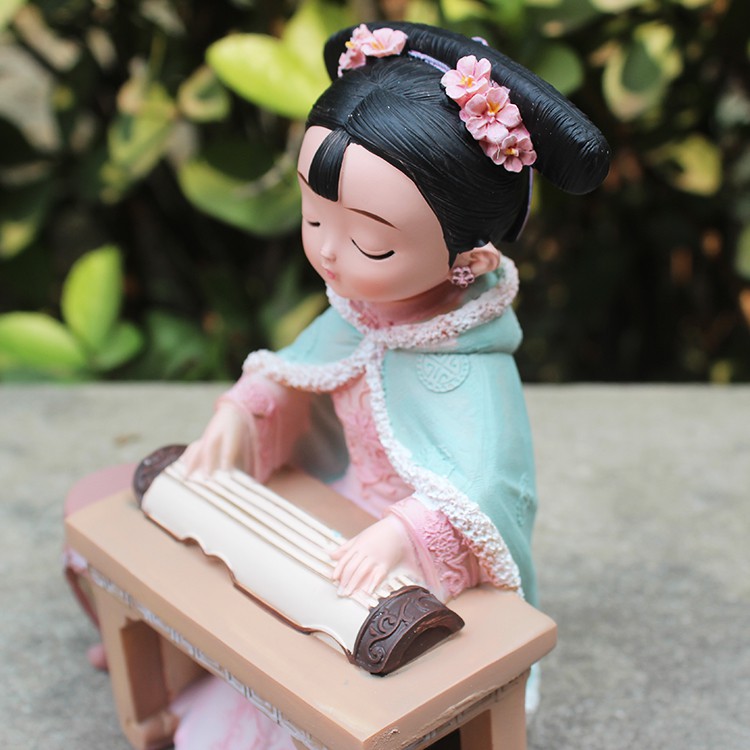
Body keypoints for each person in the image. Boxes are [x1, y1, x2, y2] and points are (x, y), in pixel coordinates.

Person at [68, 22, 610, 749]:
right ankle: (171, 659)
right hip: (329, 501)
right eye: (312, 216)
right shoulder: (357, 314)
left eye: (371, 242)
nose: (327, 251)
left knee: (328, 650)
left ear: (469, 255)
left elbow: (487, 487)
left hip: (403, 553)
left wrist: (405, 532)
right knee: (167, 540)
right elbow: (299, 372)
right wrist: (243, 411)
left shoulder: (468, 366)